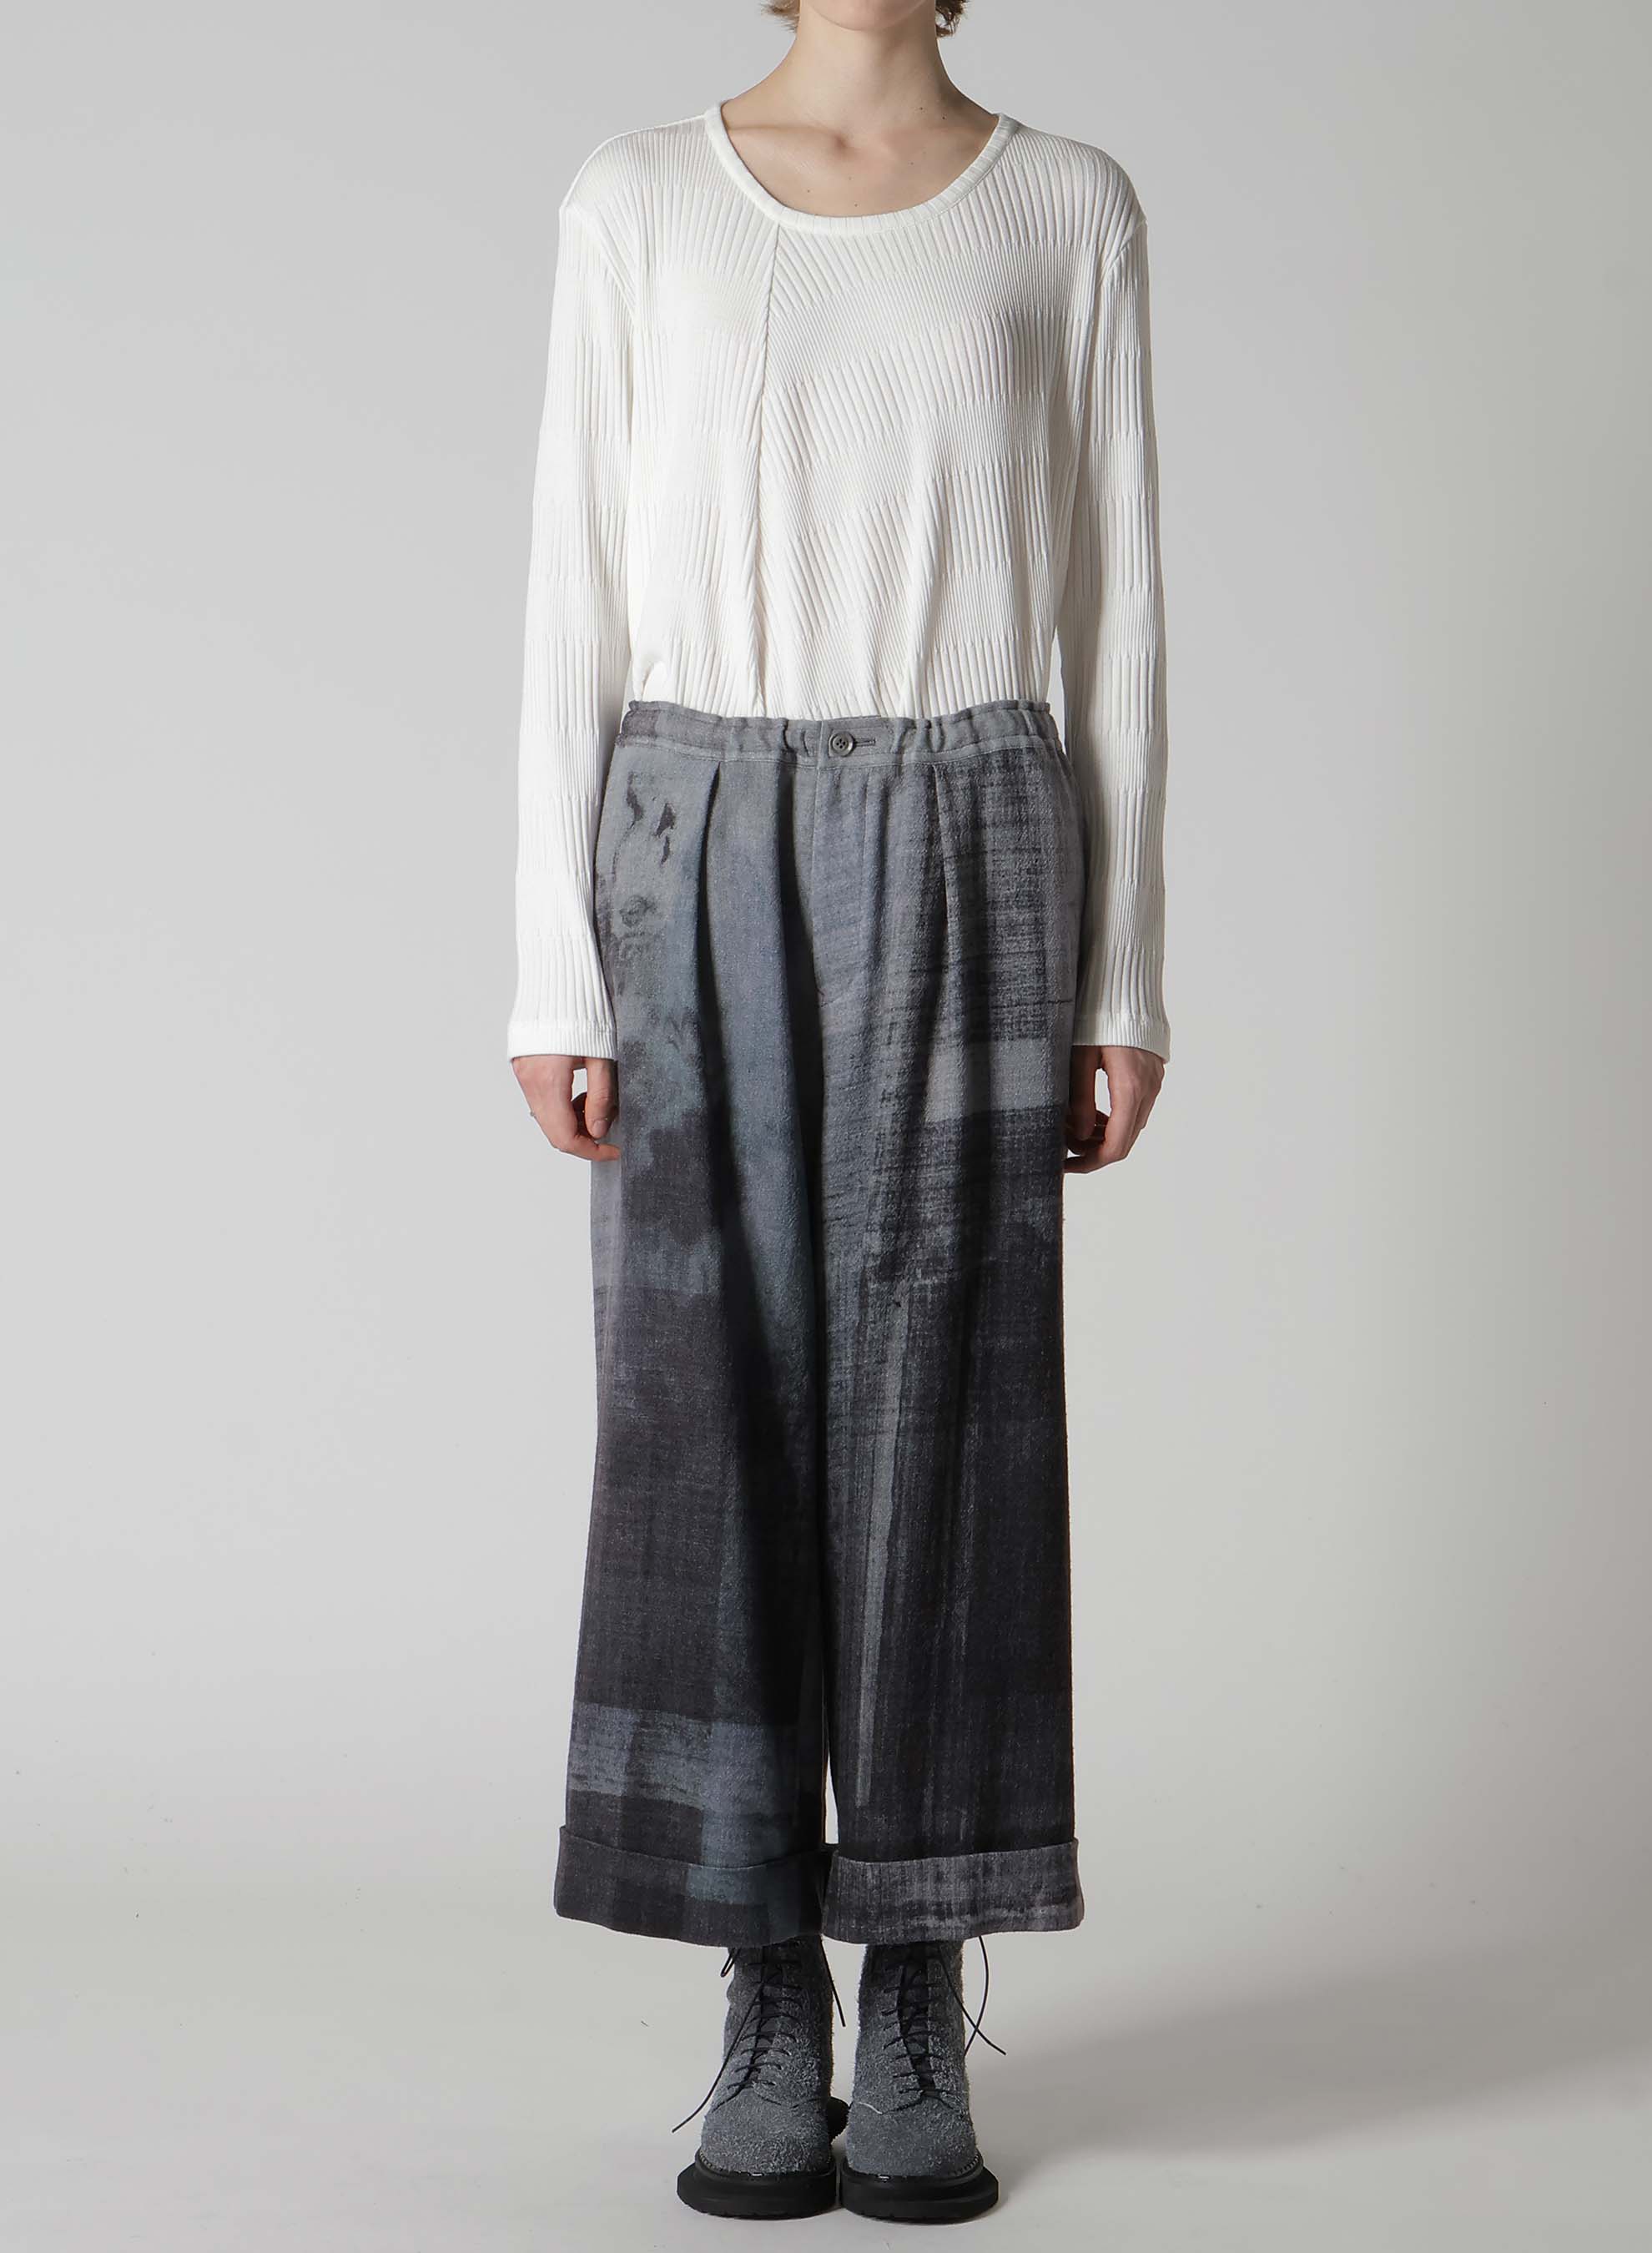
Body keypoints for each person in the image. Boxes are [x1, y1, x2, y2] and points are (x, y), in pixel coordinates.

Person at [507, 0, 1168, 2222]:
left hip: (972, 811)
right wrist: (551, 964)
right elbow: (575, 579)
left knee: (945, 1410)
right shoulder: (637, 198)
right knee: (705, 1413)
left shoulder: (1064, 206)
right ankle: (762, 1976)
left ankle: (915, 1987)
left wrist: (1124, 970)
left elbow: (1115, 605)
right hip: (693, 815)